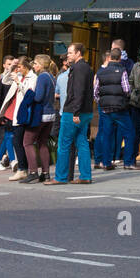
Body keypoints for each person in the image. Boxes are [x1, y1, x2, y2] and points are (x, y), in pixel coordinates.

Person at [52, 42, 94, 185]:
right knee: (82, 142)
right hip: (85, 111)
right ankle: (85, 176)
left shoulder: (77, 68)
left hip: (73, 112)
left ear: (78, 53)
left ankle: (60, 177)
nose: (68, 55)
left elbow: (78, 91)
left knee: (63, 144)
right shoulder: (87, 68)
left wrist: (75, 112)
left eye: (70, 52)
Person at [94, 48, 135, 171]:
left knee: (106, 135)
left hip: (106, 109)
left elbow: (95, 92)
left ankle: (106, 163)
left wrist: (101, 102)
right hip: (120, 108)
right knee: (129, 133)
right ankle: (128, 162)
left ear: (110, 57)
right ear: (119, 58)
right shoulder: (122, 71)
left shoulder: (100, 72)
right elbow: (127, 89)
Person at [23, 55, 57, 183]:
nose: (34, 66)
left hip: (40, 114)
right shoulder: (51, 77)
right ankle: (45, 173)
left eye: (36, 63)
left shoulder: (42, 77)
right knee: (42, 143)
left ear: (42, 65)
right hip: (50, 114)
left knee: (27, 142)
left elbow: (38, 97)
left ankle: (32, 172)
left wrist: (30, 92)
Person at [6, 58, 35, 182]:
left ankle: (23, 169)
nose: (19, 69)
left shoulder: (32, 78)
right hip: (16, 112)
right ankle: (23, 168)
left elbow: (29, 94)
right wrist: (11, 69)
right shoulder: (19, 75)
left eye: (20, 67)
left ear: (26, 67)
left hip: (24, 114)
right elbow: (5, 80)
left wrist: (18, 82)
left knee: (19, 141)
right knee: (17, 141)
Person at [0, 57, 17, 170]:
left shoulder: (15, 79)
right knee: (4, 136)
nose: (10, 66)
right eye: (8, 64)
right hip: (2, 113)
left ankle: (1, 159)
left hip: (11, 113)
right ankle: (4, 159)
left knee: (7, 136)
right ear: (4, 65)